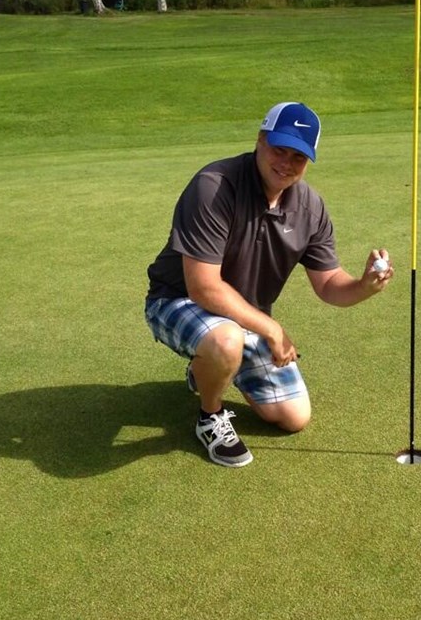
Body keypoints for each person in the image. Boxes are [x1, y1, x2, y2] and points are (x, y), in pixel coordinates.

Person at [144, 101, 394, 468]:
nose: (286, 163)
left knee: (293, 417)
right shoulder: (214, 186)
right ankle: (210, 416)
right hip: (176, 300)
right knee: (225, 340)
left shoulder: (310, 208)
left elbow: (329, 284)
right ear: (260, 140)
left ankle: (206, 369)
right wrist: (272, 329)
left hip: (240, 316)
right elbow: (203, 288)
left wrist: (365, 286)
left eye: (299, 157)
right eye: (280, 149)